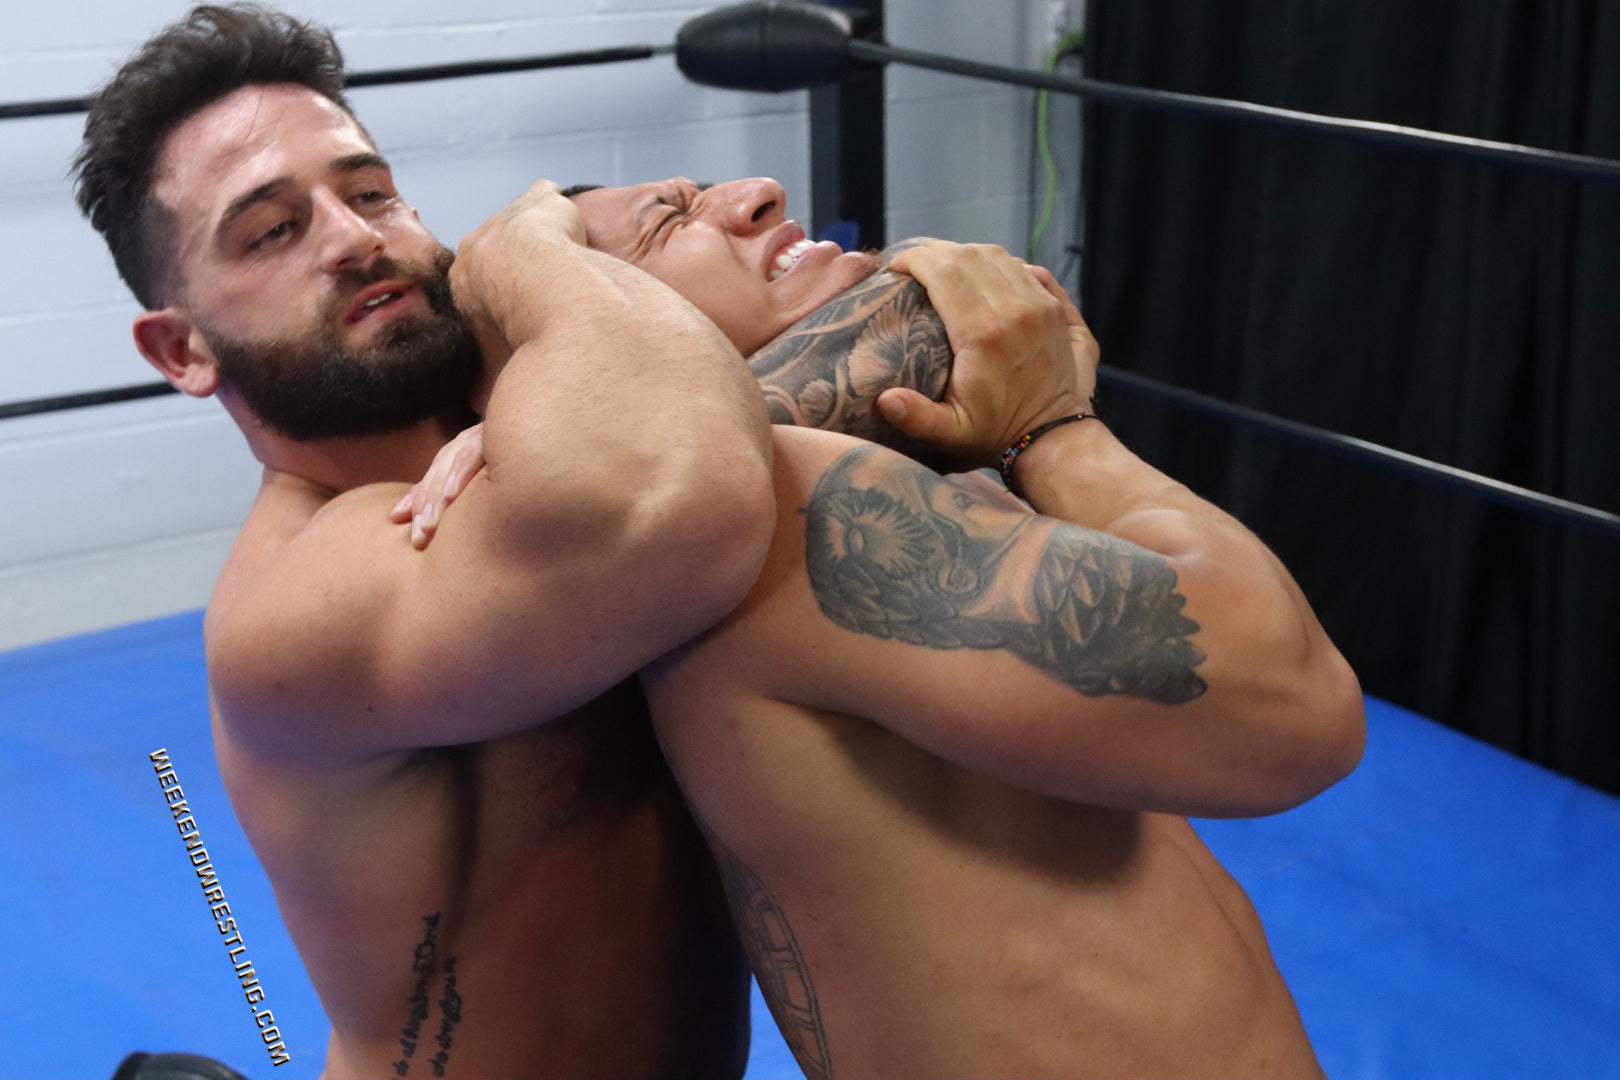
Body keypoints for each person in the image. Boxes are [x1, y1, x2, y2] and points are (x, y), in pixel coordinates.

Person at [407, 176, 1368, 1076]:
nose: (758, 192)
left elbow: (967, 296)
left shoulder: (787, 483)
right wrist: (1054, 430)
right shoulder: (777, 508)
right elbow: (1294, 707)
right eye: (669, 223)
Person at [73, 8, 776, 1079]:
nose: (355, 239)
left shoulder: (538, 411)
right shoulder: (291, 609)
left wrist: (520, 420)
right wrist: (527, 239)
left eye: (370, 193)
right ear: (183, 351)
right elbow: (670, 506)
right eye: (272, 231)